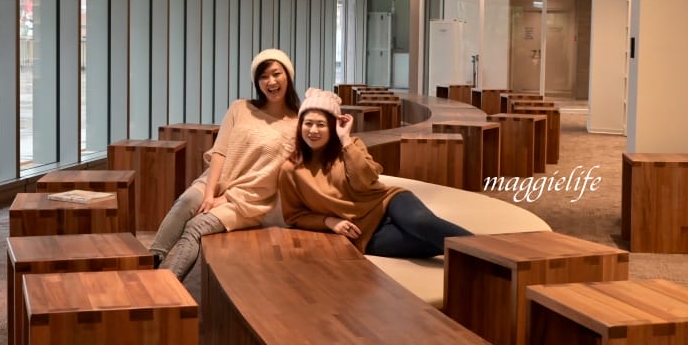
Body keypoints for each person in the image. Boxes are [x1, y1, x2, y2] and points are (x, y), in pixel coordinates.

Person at [149, 49, 300, 279]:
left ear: (288, 75)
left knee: (196, 227)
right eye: (263, 77)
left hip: (249, 199)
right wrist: (210, 194)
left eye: (276, 74)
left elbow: (268, 177)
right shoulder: (240, 108)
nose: (271, 81)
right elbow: (220, 152)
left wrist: (225, 199)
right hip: (217, 180)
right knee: (187, 201)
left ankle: (162, 287)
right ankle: (150, 263)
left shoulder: (296, 125)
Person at [278, 87, 471, 258]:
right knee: (430, 243)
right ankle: (485, 254)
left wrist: (345, 140)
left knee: (421, 222)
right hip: (362, 232)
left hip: (386, 203)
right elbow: (294, 216)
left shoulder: (352, 146)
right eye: (308, 123)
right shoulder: (291, 169)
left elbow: (365, 181)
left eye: (321, 124)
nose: (313, 130)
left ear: (333, 126)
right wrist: (328, 222)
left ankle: (488, 251)